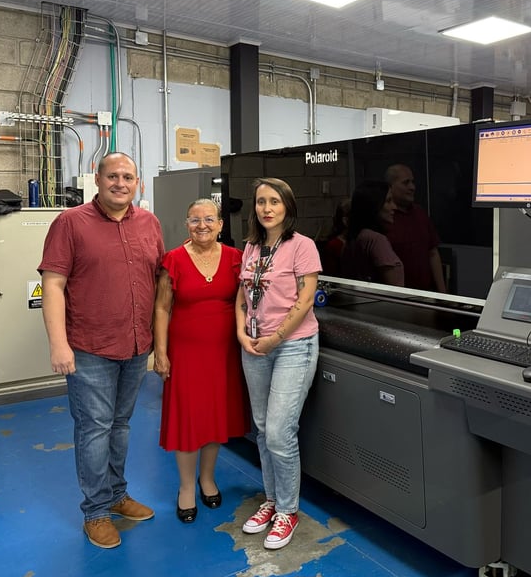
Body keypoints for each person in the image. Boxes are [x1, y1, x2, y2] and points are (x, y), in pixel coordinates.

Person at [38, 152, 164, 549]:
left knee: (120, 426)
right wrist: (58, 344)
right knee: (94, 428)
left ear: (137, 183)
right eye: (113, 176)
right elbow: (53, 285)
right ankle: (95, 512)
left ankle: (116, 495)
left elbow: (159, 281)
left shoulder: (149, 223)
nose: (120, 183)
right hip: (89, 348)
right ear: (97, 179)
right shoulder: (70, 223)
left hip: (135, 346)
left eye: (128, 177)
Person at [235, 177, 322, 550]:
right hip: (254, 345)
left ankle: (288, 510)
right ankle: (270, 500)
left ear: (287, 206)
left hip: (292, 346)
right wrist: (241, 332)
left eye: (274, 201)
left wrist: (275, 338)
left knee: (278, 432)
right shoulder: (252, 247)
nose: (266, 208)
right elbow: (242, 295)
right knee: (260, 428)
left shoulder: (302, 246)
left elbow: (305, 300)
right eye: (260, 202)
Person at [153, 198, 249, 524]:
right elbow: (162, 307)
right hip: (185, 354)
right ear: (186, 225)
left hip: (223, 353)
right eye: (195, 220)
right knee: (188, 419)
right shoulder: (174, 260)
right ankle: (185, 487)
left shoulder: (236, 259)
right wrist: (161, 352)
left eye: (209, 219)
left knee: (214, 418)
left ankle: (207, 479)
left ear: (221, 224)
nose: (202, 225)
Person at [384, 163, 446, 292]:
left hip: (425, 294)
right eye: (406, 183)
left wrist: (443, 293)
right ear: (390, 186)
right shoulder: (384, 217)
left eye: (412, 182)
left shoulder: (419, 213)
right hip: (397, 296)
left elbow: (433, 253)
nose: (412, 187)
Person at [340, 180, 405, 287]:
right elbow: (394, 289)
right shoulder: (375, 240)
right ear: (373, 205)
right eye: (388, 201)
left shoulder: (354, 238)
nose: (394, 207)